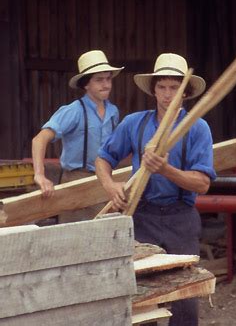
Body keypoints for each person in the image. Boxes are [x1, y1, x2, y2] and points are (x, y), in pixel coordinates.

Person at [95, 53, 216, 326]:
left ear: (185, 93)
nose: (167, 94)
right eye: (162, 87)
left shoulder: (197, 128)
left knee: (185, 296)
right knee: (140, 297)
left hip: (180, 217)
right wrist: (110, 185)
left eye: (174, 87)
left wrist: (165, 170)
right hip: (142, 216)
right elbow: (103, 158)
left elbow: (202, 183)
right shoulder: (134, 123)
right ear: (153, 90)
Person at [32, 50, 124, 222]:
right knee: (75, 238)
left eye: (108, 79)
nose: (106, 84)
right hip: (76, 180)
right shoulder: (74, 111)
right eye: (99, 80)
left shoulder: (113, 112)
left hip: (105, 181)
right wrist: (40, 174)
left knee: (105, 237)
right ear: (86, 84)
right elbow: (39, 139)